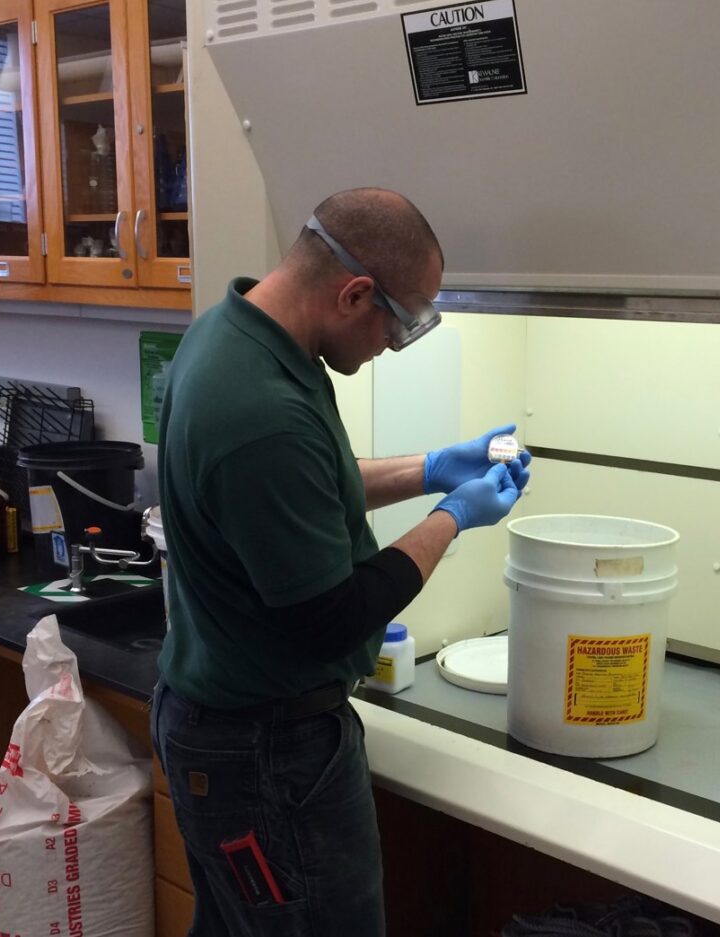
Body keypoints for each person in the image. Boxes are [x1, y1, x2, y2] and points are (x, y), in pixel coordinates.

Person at [151, 187, 531, 936]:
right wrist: (453, 518)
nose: (396, 343)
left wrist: (431, 468)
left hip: (221, 723)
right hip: (265, 753)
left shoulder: (236, 336)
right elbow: (336, 616)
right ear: (356, 293)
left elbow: (304, 489)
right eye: (403, 320)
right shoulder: (260, 409)